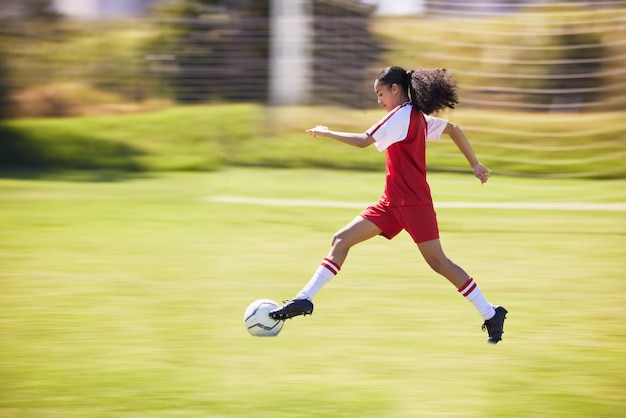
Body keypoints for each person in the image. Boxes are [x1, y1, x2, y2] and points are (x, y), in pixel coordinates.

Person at [269, 66, 508, 344]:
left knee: (439, 262)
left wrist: (326, 132)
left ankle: (491, 313)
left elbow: (362, 141)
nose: (379, 100)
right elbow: (453, 130)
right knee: (340, 240)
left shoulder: (400, 115)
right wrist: (474, 164)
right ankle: (304, 299)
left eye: (380, 93)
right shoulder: (416, 117)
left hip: (415, 204)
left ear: (395, 89)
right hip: (391, 204)